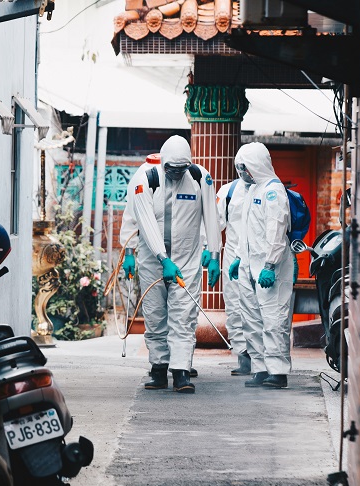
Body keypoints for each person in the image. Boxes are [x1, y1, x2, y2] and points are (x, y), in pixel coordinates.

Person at [125, 135, 221, 393]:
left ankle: (180, 372)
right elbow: (141, 220)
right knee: (156, 316)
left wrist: (214, 256)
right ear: (163, 162)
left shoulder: (200, 178)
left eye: (182, 169)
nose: (177, 174)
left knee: (184, 317)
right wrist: (137, 254)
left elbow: (212, 216)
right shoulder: (145, 179)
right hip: (152, 261)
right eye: (172, 169)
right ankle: (158, 369)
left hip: (187, 260)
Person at [228, 142, 294, 389]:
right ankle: (260, 367)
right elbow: (244, 231)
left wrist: (269, 264)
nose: (242, 173)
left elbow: (276, 231)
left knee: (273, 318)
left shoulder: (273, 191)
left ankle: (277, 372)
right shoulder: (253, 190)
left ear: (256, 164)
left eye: (245, 167)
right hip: (248, 265)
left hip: (270, 269)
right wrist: (237, 258)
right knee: (251, 318)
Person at [215, 175, 253, 376]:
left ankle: (263, 360)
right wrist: (210, 251)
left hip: (259, 256)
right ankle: (243, 357)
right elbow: (215, 223)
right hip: (232, 255)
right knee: (234, 307)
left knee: (258, 310)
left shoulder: (270, 190)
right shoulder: (228, 192)